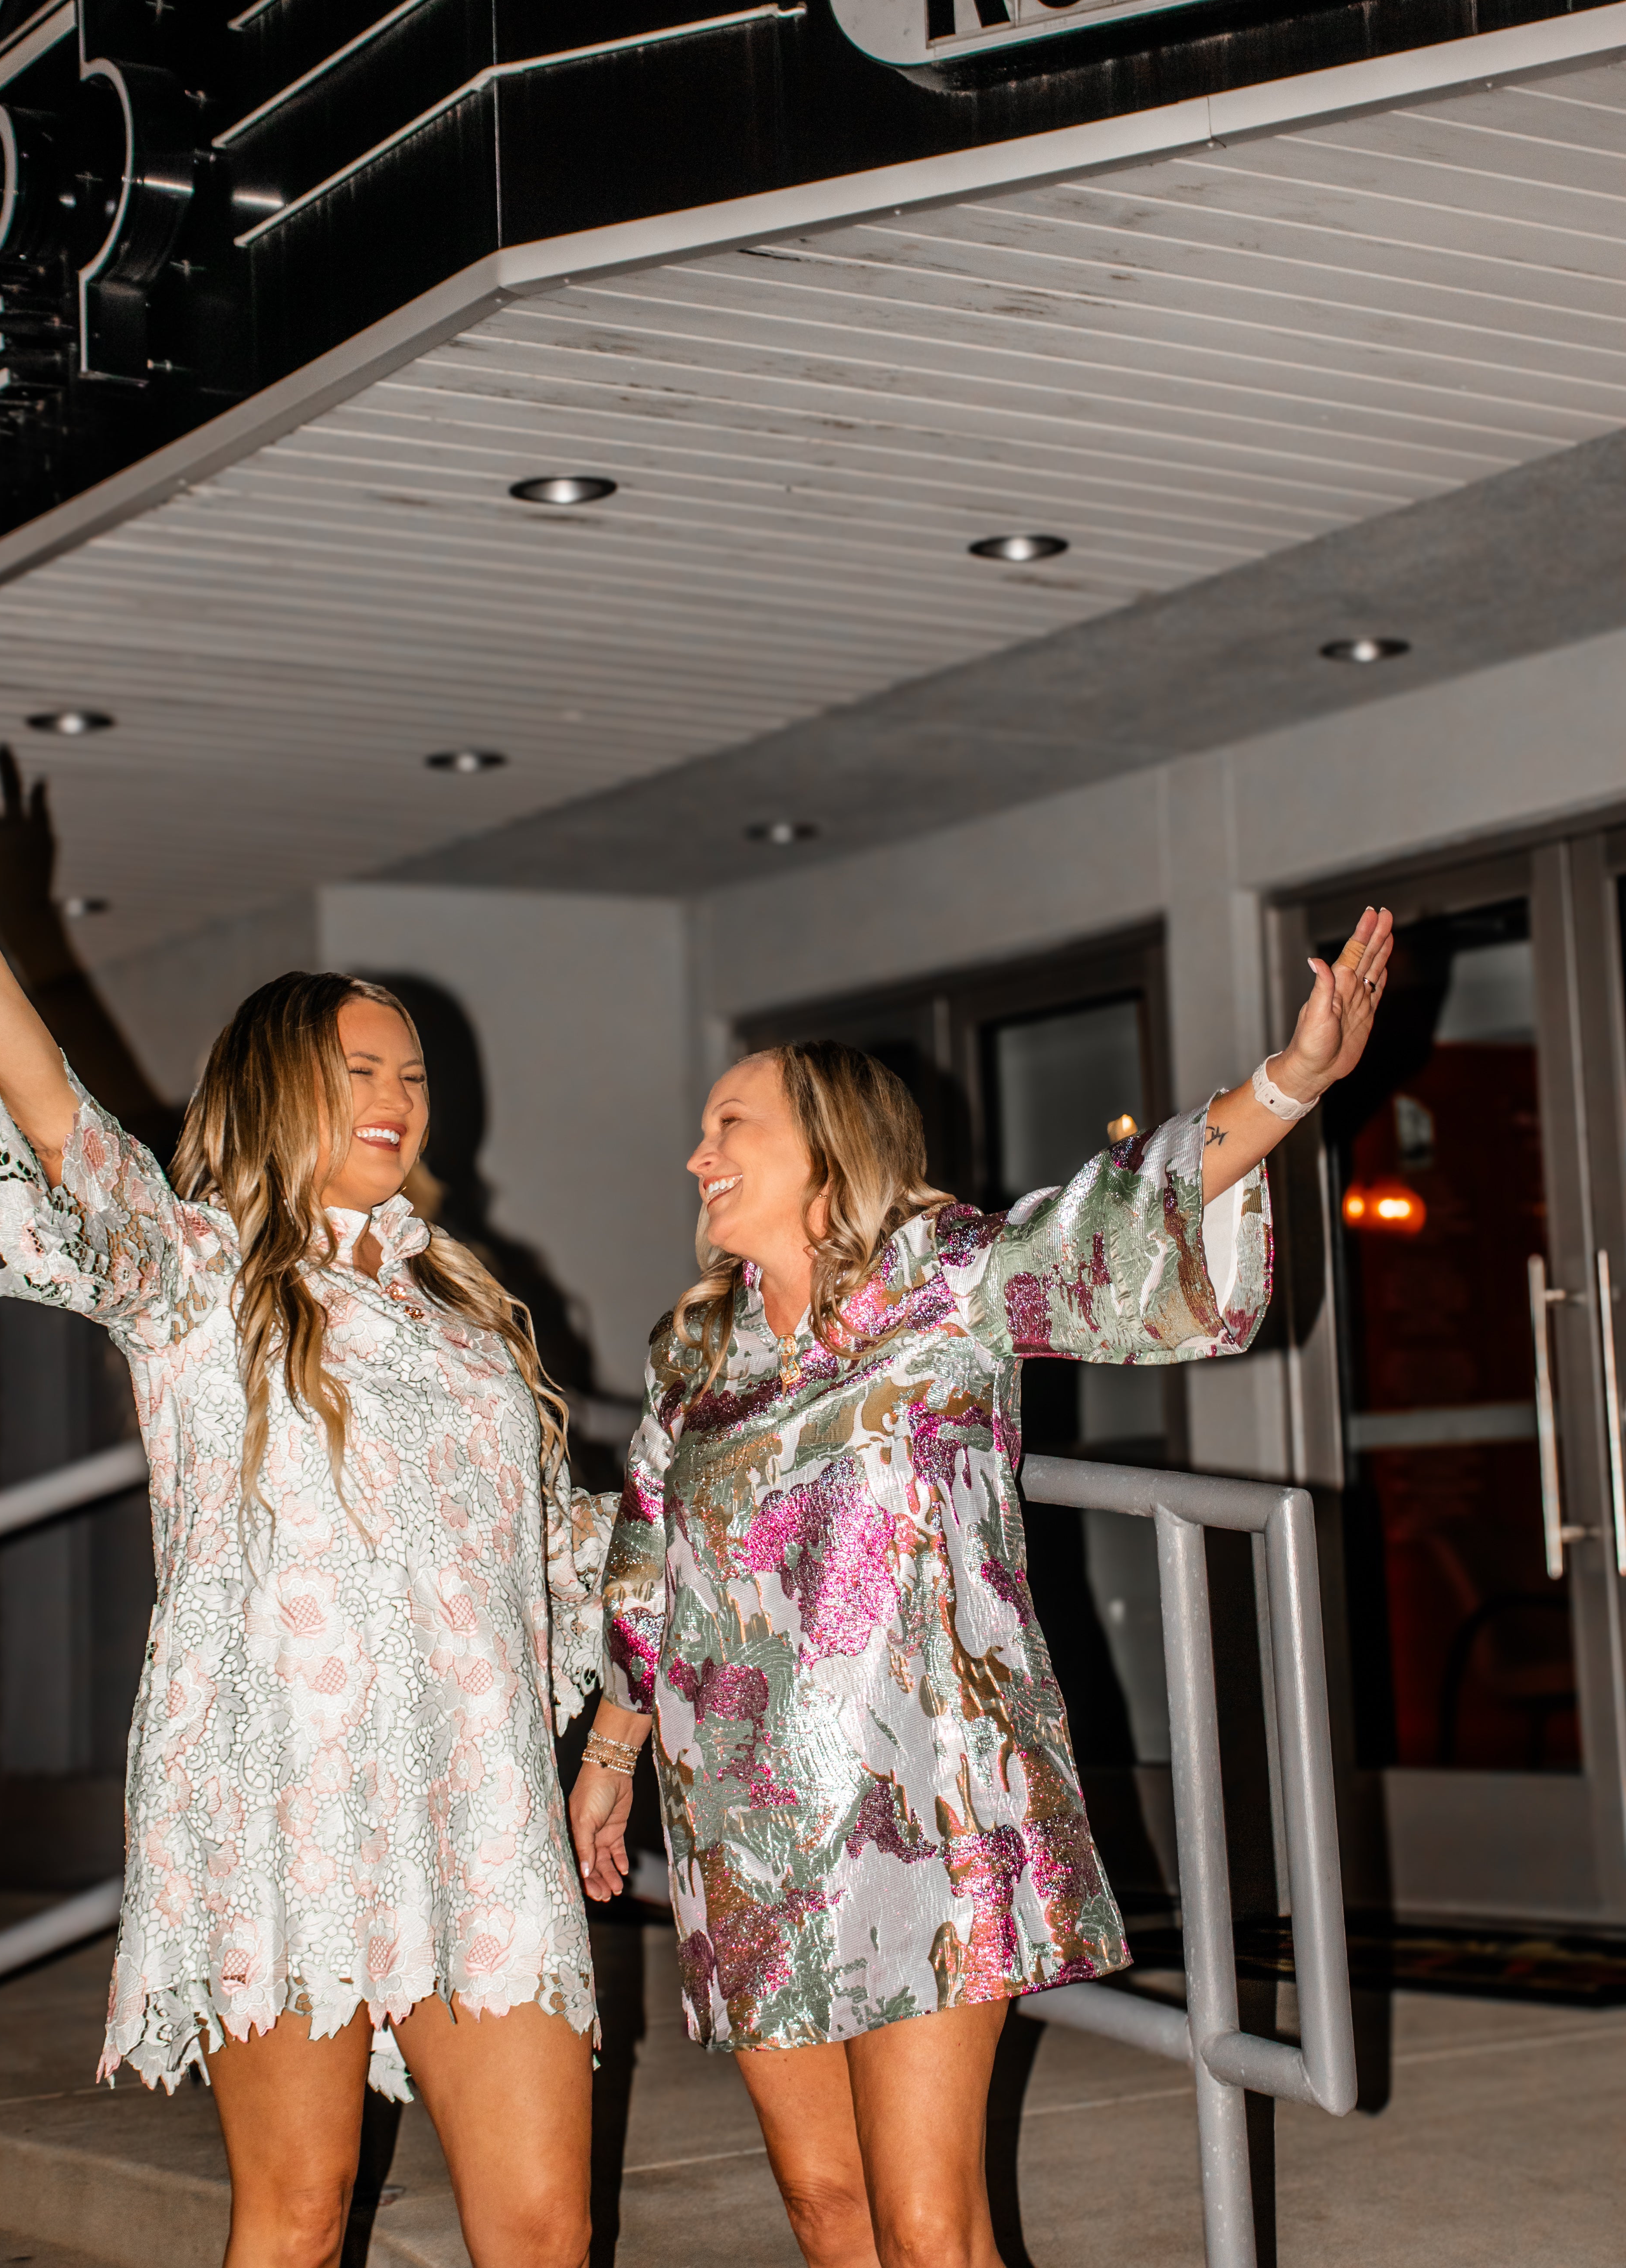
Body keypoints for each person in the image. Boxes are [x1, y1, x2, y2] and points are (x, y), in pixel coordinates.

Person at [569, 911, 1392, 2268]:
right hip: (745, 1829)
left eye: (732, 1127)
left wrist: (1292, 1081)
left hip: (924, 1810)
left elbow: (1116, 1221)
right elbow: (650, 1547)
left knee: (928, 2225)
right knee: (826, 2208)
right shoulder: (696, 1348)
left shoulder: (945, 1278)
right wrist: (612, 1752)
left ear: (830, 1149)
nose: (699, 1157)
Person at [0, 745, 614, 2268]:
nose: (397, 1100)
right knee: (295, 2219)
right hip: (278, 1803)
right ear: (282, 1086)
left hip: (479, 1811)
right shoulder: (199, 1275)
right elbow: (68, 1134)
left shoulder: (469, 1319)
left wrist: (626, 1716)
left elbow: (566, 1560)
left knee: (546, 2229)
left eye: (412, 1077)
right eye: (360, 1072)